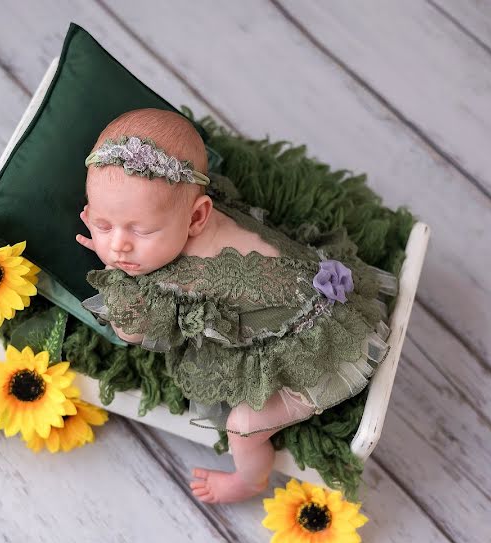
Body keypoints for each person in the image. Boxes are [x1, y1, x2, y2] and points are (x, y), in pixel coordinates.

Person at [75, 108, 396, 504]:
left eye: (141, 230)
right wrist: (127, 234)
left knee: (243, 425)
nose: (119, 245)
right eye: (103, 225)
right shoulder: (194, 211)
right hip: (327, 291)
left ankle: (249, 480)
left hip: (321, 354)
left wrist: (113, 269)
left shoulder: (172, 280)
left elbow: (130, 331)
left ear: (198, 216)